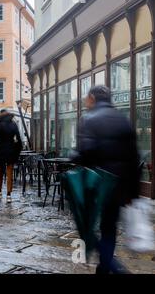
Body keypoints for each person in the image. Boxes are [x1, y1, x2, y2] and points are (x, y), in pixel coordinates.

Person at [72, 85, 140, 274]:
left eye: (86, 97)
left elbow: (85, 153)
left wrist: (74, 156)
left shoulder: (89, 120)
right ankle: (104, 269)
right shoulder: (123, 120)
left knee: (87, 228)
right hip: (119, 186)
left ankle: (116, 269)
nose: (85, 101)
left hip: (97, 185)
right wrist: (133, 193)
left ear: (92, 98)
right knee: (109, 228)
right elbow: (134, 158)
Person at [0, 109, 23, 203]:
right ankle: (9, 194)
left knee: (0, 171)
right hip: (11, 150)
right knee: (10, 172)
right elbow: (18, 138)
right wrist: (18, 148)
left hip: (1, 150)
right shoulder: (13, 124)